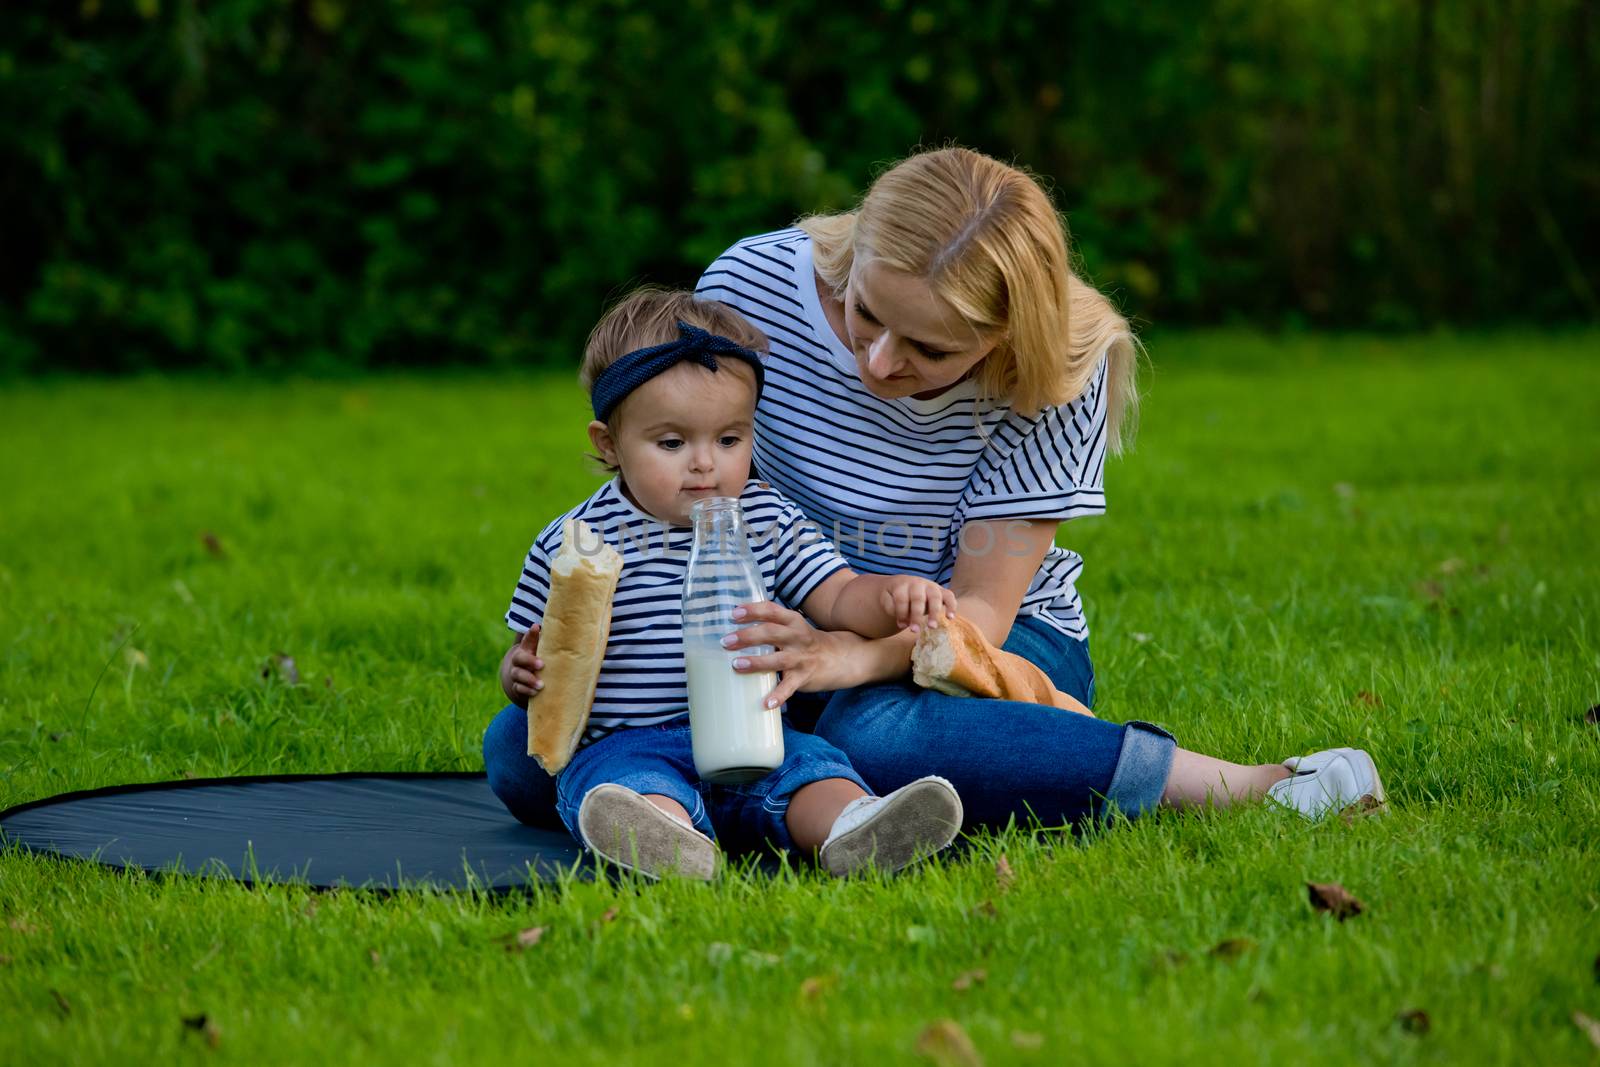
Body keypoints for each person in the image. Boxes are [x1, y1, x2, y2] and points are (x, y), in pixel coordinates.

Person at [693, 146, 1385, 825]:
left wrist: (854, 657)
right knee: (713, 709)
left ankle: (1249, 787)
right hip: (804, 609)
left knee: (869, 731)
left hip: (1000, 633)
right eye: (866, 311)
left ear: (1004, 337)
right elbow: (707, 499)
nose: (878, 361)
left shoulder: (1059, 373)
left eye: (930, 349)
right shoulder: (750, 290)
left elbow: (979, 613)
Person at [481, 288, 966, 879]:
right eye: (672, 443)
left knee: (814, 770)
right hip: (631, 740)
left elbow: (837, 596)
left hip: (756, 731)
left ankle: (858, 827)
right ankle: (665, 842)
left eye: (729, 440)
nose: (705, 464)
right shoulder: (578, 543)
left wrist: (892, 596)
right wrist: (518, 676)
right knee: (626, 788)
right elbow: (531, 651)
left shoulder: (764, 517)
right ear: (609, 444)